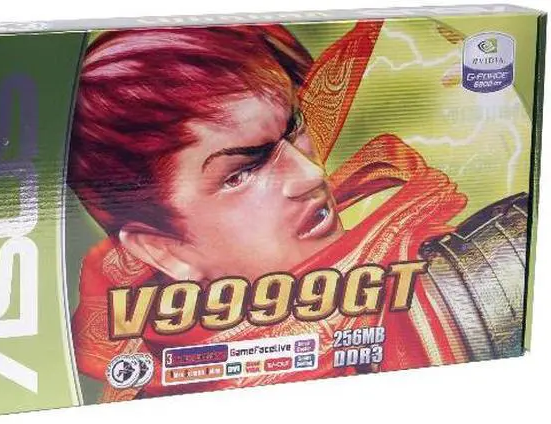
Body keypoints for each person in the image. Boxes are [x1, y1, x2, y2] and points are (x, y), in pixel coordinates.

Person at [67, 20, 472, 402]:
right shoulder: (166, 390)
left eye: (294, 128)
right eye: (242, 173)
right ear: (164, 249)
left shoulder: (437, 274)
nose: (311, 175)